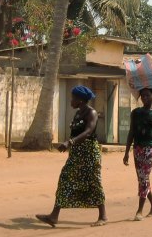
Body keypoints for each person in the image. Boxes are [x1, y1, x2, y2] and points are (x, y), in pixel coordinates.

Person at [36, 85, 107, 228]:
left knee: (93, 181)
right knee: (65, 178)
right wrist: (70, 144)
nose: (71, 100)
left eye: (73, 98)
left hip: (89, 153)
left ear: (80, 100)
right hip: (76, 153)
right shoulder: (78, 113)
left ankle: (103, 216)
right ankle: (54, 216)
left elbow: (88, 131)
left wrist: (70, 142)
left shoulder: (91, 113)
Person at [123, 87, 152, 220]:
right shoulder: (135, 113)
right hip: (137, 149)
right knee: (142, 179)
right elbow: (131, 132)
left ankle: (139, 211)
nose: (145, 98)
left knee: (143, 178)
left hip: (151, 149)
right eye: (142, 96)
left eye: (147, 95)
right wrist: (126, 152)